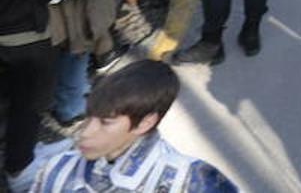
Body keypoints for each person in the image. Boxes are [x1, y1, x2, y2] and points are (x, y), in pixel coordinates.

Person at [30, 60, 238, 192]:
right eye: (89, 117)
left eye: (105, 122)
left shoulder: (192, 182)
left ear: (146, 122)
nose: (85, 133)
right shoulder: (57, 167)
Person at [0, 0, 80, 192]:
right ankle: (20, 171)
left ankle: (24, 154)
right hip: (25, 41)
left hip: (13, 37)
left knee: (22, 105)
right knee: (29, 106)